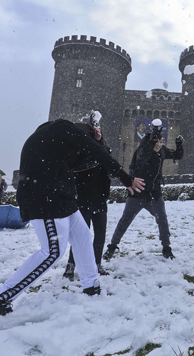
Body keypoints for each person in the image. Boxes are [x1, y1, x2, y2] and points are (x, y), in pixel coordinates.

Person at [0, 119, 144, 316]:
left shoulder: (54, 135)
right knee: (52, 251)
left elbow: (86, 162)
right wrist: (126, 177)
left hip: (61, 195)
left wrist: (96, 142)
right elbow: (96, 153)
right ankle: (0, 298)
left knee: (82, 236)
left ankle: (91, 286)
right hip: (44, 197)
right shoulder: (67, 130)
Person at [103, 120, 184, 261]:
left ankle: (166, 248)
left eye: (161, 141)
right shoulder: (142, 150)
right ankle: (112, 247)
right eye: (157, 142)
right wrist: (153, 138)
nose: (159, 145)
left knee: (162, 220)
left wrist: (179, 145)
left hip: (154, 194)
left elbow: (177, 155)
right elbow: (143, 156)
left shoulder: (162, 150)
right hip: (138, 194)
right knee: (125, 221)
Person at [63, 115, 114, 281]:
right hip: (83, 197)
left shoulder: (102, 146)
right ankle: (71, 265)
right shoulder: (80, 149)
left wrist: (99, 141)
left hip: (99, 197)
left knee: (100, 234)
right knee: (81, 235)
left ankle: (97, 264)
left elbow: (107, 159)